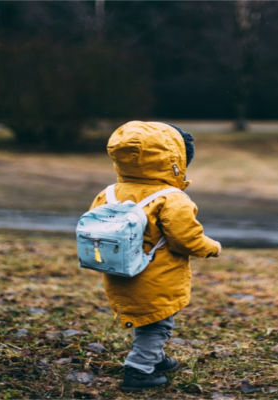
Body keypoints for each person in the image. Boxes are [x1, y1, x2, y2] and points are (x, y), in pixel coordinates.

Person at [89, 121, 221, 391]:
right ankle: (139, 370)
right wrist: (211, 247)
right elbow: (186, 238)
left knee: (148, 319)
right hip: (156, 276)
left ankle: (155, 358)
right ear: (175, 161)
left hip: (119, 272)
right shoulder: (171, 198)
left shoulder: (109, 193)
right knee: (157, 324)